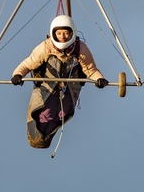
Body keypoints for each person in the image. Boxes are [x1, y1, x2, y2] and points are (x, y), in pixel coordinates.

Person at [11, 14, 107, 148]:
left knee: (62, 113)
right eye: (59, 33)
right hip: (47, 88)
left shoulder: (80, 49)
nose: (62, 37)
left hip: (69, 88)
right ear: (53, 34)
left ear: (72, 33)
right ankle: (40, 137)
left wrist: (100, 79)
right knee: (43, 114)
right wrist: (18, 74)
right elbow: (28, 64)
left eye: (66, 33)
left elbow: (91, 70)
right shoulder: (46, 47)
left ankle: (48, 131)